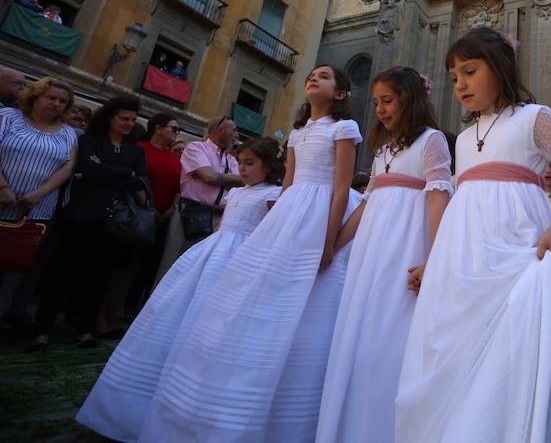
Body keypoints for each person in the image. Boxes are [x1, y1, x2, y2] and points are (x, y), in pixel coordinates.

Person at [395, 28, 551, 443]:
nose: (461, 84)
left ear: (502, 67)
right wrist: (433, 259)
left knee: (509, 351)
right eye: (453, 78)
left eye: (470, 71)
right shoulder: (466, 136)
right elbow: (455, 200)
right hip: (462, 252)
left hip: (516, 245)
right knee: (452, 343)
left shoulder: (534, 118)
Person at [139, 64, 362, 441]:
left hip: (322, 210)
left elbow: (341, 188)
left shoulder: (344, 129)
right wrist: (275, 223)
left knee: (314, 293)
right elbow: (288, 184)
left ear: (340, 94)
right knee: (263, 288)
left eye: (324, 76)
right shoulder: (297, 131)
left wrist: (328, 240)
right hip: (292, 211)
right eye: (312, 74)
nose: (313, 78)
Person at [76, 138, 284, 442]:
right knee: (179, 307)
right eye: (240, 162)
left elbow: (273, 232)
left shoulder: (274, 195)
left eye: (250, 163)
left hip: (242, 259)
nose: (243, 169)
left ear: (270, 165)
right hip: (212, 254)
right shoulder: (237, 191)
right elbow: (222, 226)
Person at [317, 67, 452, 443]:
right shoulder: (383, 149)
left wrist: (434, 258)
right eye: (376, 102)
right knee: (359, 331)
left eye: (387, 100)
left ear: (409, 99)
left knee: (392, 335)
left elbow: (439, 196)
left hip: (406, 247)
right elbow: (366, 204)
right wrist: (334, 245)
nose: (379, 108)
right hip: (370, 253)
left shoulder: (432, 140)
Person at [28, 96, 147, 352]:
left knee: (98, 277)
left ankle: (85, 329)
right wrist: (124, 173)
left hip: (113, 221)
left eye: (133, 120)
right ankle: (42, 330)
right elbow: (84, 170)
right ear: (110, 117)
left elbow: (139, 181)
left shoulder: (135, 150)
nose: (129, 124)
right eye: (124, 118)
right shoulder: (88, 141)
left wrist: (105, 171)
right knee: (60, 273)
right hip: (80, 215)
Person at [0, 78, 78, 320]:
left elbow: (68, 167)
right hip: (1, 201)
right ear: (35, 96)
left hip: (35, 214)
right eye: (51, 97)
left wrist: (39, 193)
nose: (56, 104)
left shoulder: (68, 133)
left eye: (62, 101)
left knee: (14, 271)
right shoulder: (8, 117)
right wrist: (2, 186)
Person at [154, 115, 241, 284]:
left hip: (218, 220)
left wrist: (222, 178)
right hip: (191, 214)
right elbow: (208, 176)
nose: (236, 135)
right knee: (172, 267)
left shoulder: (231, 159)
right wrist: (231, 179)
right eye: (234, 130)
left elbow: (239, 186)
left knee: (195, 274)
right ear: (221, 130)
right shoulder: (196, 148)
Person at [130, 114, 182, 310]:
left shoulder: (174, 159)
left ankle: (132, 308)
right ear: (158, 128)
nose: (177, 133)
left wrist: (171, 208)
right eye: (174, 128)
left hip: (162, 218)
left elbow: (178, 187)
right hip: (137, 214)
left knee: (148, 266)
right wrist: (147, 207)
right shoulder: (140, 149)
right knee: (125, 266)